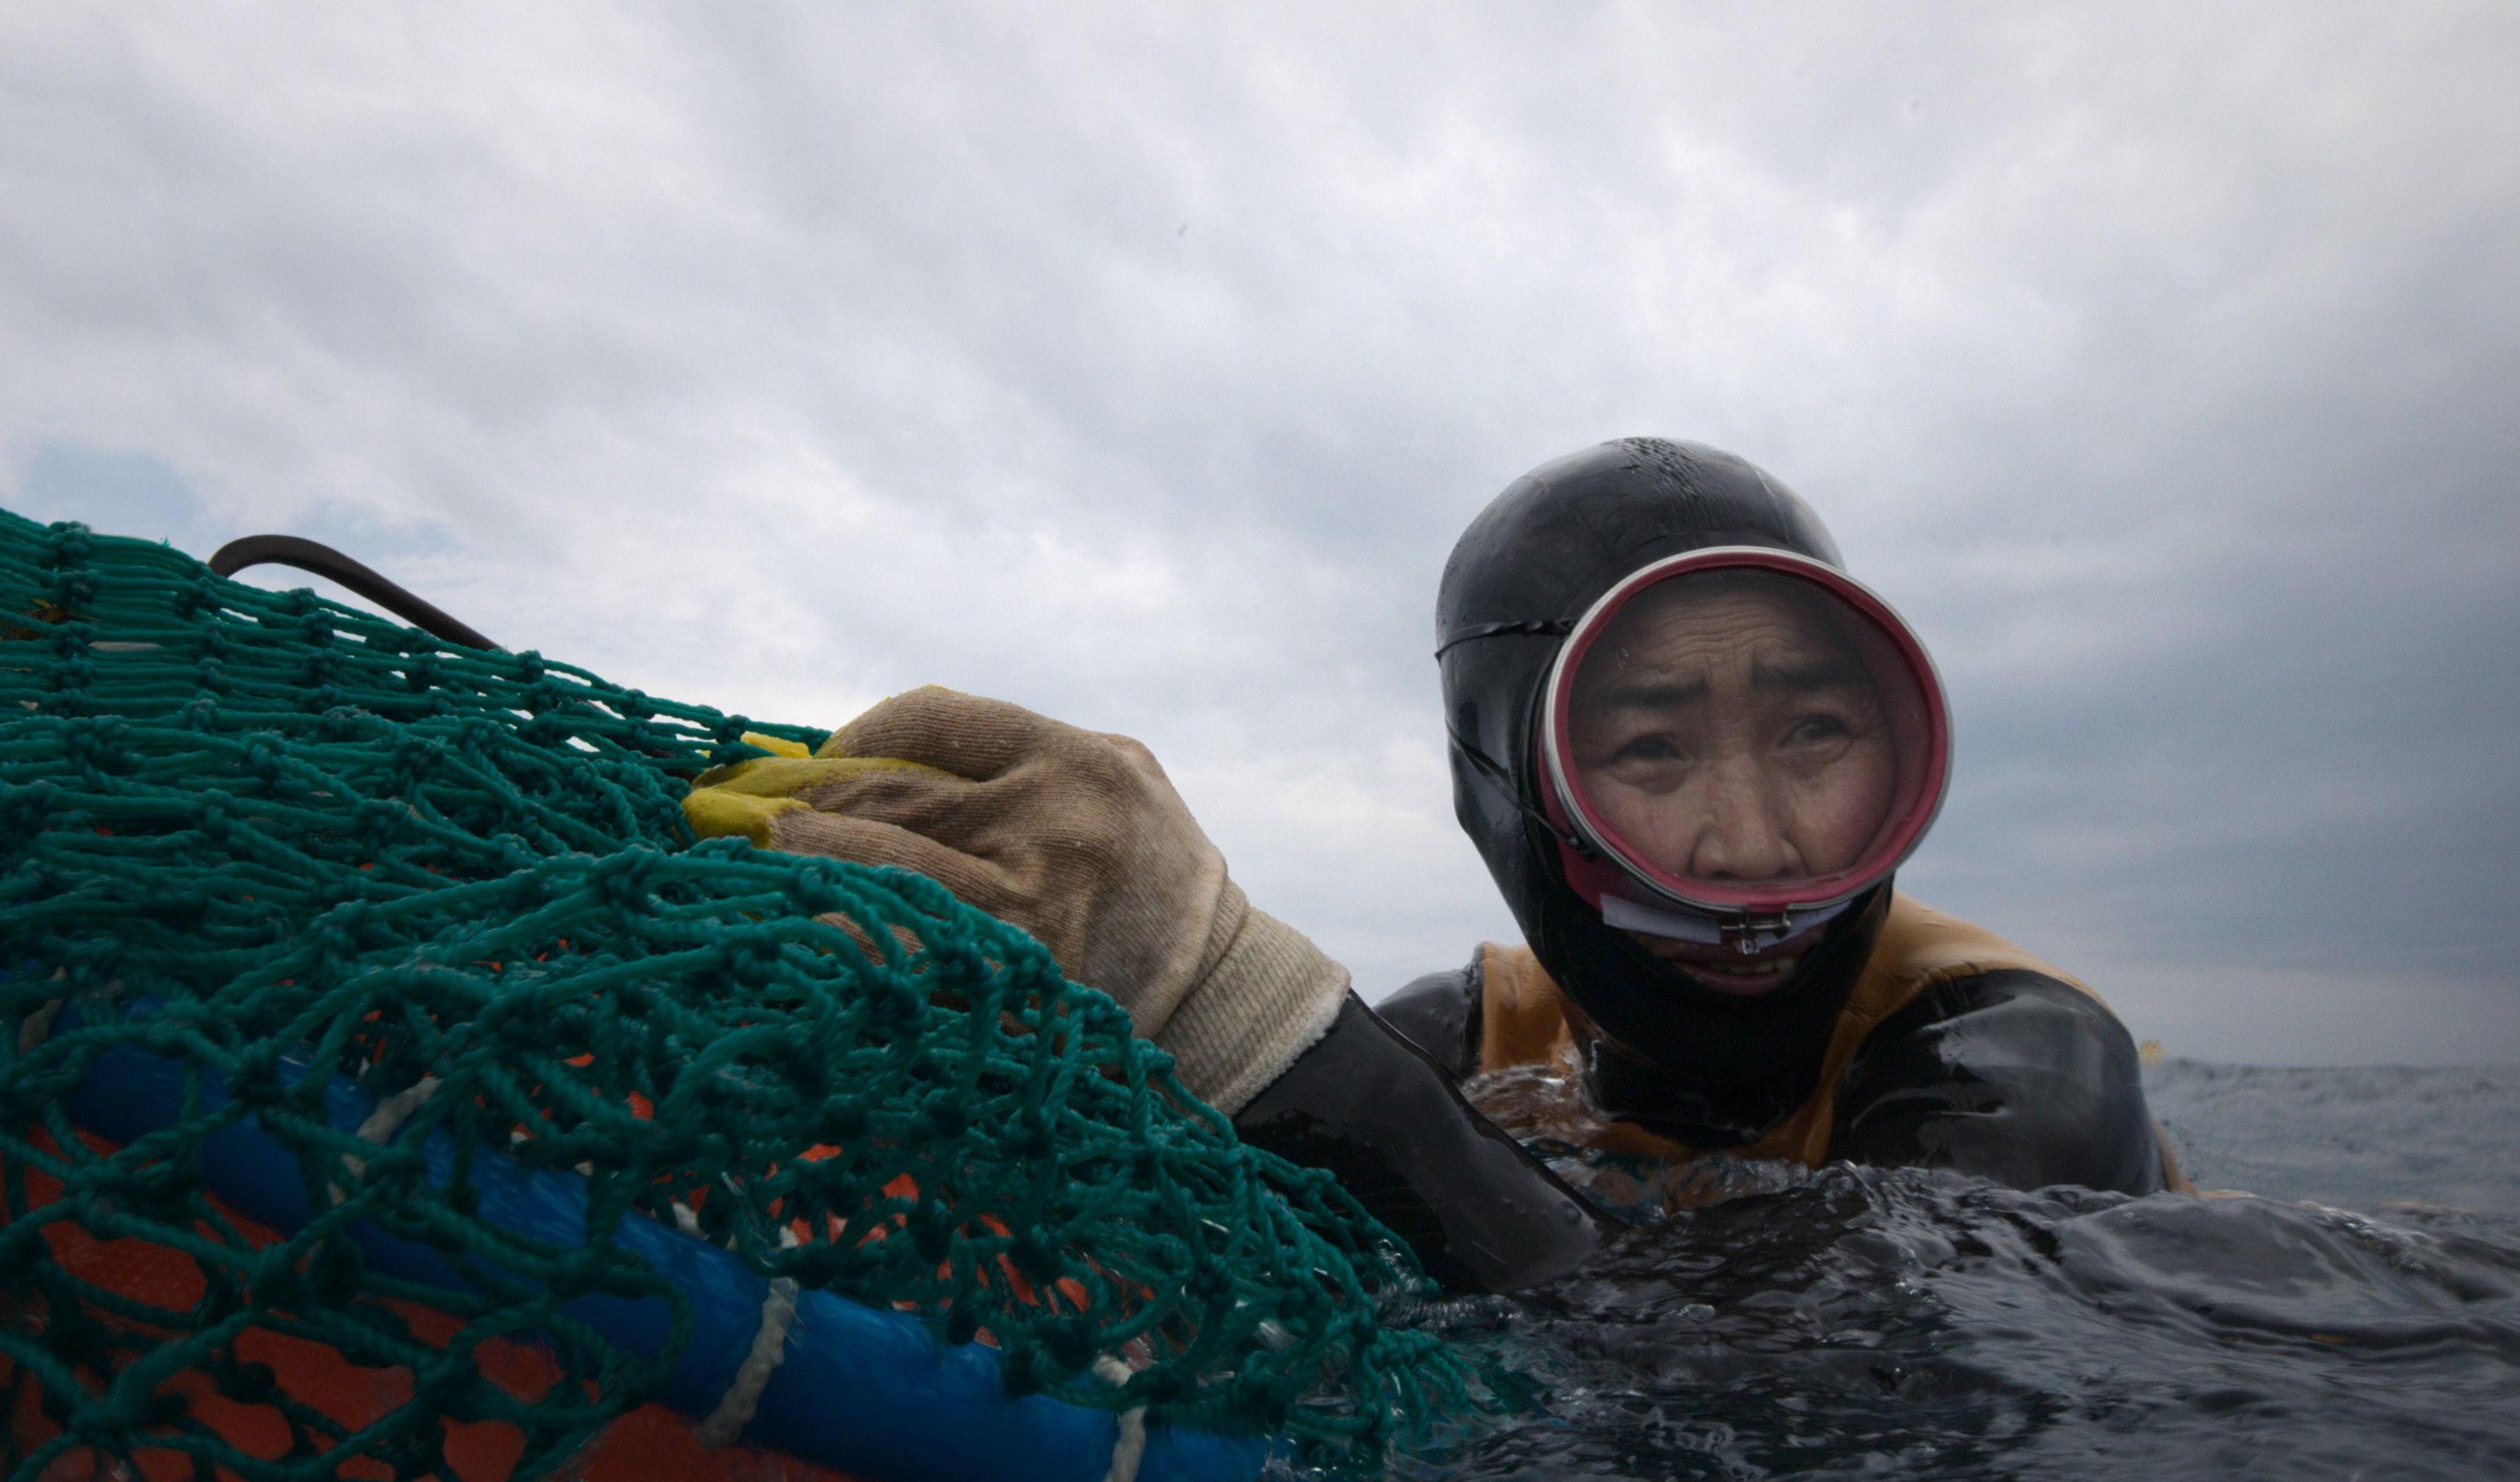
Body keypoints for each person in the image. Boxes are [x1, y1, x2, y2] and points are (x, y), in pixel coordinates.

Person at [684, 438, 2185, 1294]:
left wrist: (1250, 1016)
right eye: (1653, 751)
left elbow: (1787, 1424)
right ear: (1502, 789)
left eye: (1814, 731)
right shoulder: (1473, 1036)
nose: (1760, 843)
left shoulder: (2020, 1061)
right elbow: (1206, 1232)